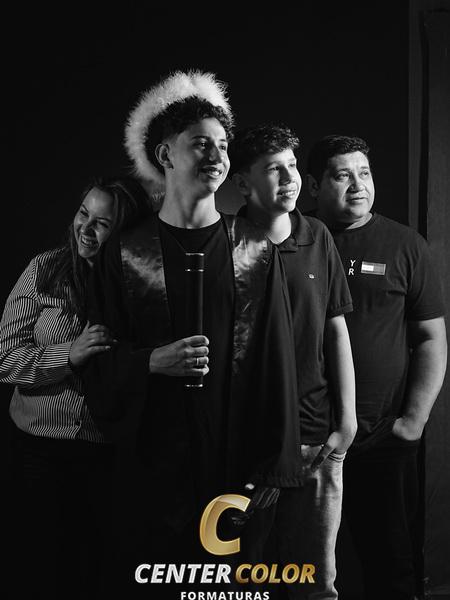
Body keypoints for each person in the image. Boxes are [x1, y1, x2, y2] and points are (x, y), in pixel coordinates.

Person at [81, 71, 301, 594]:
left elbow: (277, 358)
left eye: (223, 145)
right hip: (152, 464)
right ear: (164, 154)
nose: (217, 156)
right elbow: (97, 358)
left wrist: (273, 465)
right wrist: (148, 362)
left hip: (235, 458)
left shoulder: (253, 248)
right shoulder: (126, 253)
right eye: (201, 143)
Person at [306, 134, 447, 600]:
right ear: (314, 185)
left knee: (391, 568)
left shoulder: (405, 245)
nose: (358, 185)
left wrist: (413, 421)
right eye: (342, 175)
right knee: (302, 568)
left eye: (364, 173)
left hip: (380, 439)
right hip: (306, 436)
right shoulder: (295, 239)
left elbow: (431, 338)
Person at [0, 176, 149, 600]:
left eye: (102, 223)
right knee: (42, 570)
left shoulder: (141, 283)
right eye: (83, 214)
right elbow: (5, 359)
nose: (86, 229)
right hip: (40, 452)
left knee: (97, 571)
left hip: (109, 455)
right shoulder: (46, 269)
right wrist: (69, 354)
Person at [229, 123, 357, 599]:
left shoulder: (317, 235)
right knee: (246, 576)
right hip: (251, 441)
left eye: (292, 166)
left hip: (314, 438)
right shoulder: (226, 242)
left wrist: (346, 423)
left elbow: (335, 328)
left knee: (316, 582)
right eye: (273, 169)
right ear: (243, 183)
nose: (289, 178)